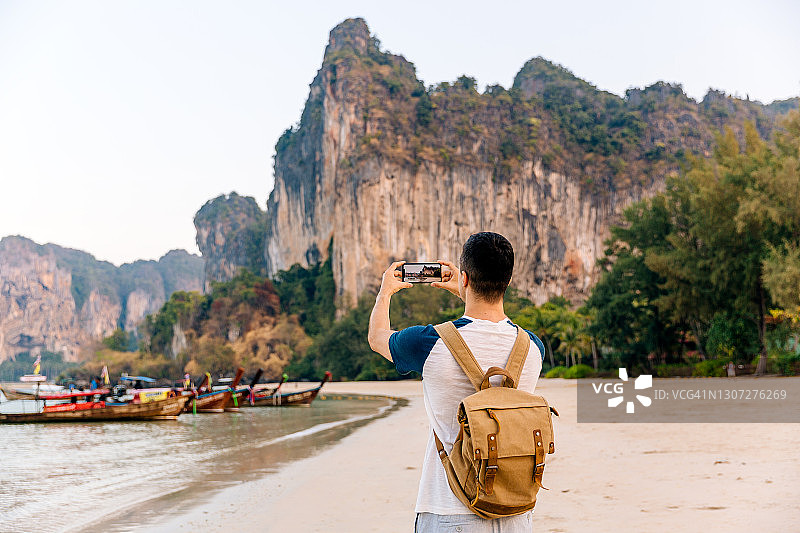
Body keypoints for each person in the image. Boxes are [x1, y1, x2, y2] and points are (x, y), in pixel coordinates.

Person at [368, 232, 545, 533]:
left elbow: (377, 338)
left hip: (450, 510)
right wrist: (467, 291)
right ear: (508, 281)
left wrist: (384, 293)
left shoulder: (429, 342)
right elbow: (491, 327)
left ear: (464, 278)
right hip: (515, 511)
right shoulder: (533, 347)